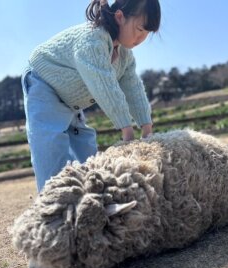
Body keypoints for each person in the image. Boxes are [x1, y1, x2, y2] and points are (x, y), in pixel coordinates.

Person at [22, 0, 161, 191]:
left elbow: (133, 87)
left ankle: (89, 197)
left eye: (147, 33)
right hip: (44, 83)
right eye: (139, 29)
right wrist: (127, 131)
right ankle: (53, 201)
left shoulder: (125, 55)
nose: (142, 38)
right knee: (51, 143)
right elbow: (105, 87)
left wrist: (146, 126)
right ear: (120, 17)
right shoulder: (93, 39)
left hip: (71, 99)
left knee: (85, 149)